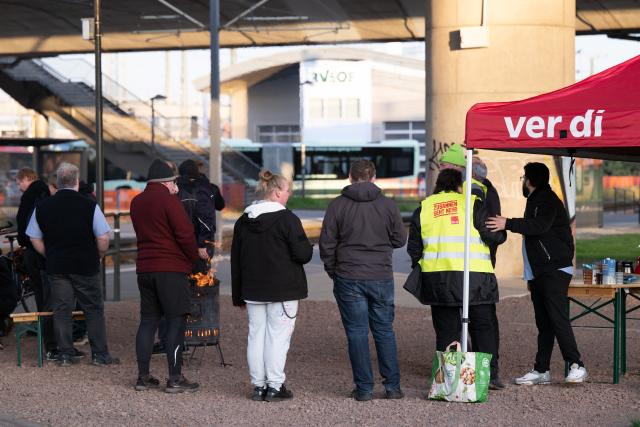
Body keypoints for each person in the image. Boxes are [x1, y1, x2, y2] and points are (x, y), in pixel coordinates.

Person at [486, 162, 588, 384]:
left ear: (530, 180)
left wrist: (507, 223)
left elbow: (539, 226)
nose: (522, 181)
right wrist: (530, 274)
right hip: (541, 271)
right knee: (544, 322)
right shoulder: (536, 200)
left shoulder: (547, 200)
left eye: (524, 177)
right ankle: (541, 369)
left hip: (554, 269)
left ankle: (577, 364)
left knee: (557, 318)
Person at [407, 169, 506, 389]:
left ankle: (450, 378)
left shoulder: (424, 208)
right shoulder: (472, 204)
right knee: (483, 327)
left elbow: (413, 248)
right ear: (460, 186)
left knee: (447, 330)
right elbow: (494, 235)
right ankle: (487, 376)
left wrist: (424, 266)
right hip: (476, 278)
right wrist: (502, 233)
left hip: (438, 279)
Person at [320, 159, 407, 402]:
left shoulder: (337, 205)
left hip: (348, 275)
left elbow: (327, 244)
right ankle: (392, 387)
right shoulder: (388, 205)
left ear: (350, 177)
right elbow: (400, 239)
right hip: (380, 275)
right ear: (373, 176)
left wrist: (333, 271)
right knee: (384, 331)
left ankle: (364, 389)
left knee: (356, 333)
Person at [231, 170, 312, 402]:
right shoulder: (287, 219)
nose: (288, 196)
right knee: (278, 337)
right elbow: (303, 254)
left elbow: (236, 261)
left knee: (256, 336)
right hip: (283, 290)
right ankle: (275, 386)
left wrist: (238, 295)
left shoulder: (243, 221)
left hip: (253, 290)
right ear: (277, 192)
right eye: (288, 191)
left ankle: (258, 386)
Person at [26, 163, 118, 367]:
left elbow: (34, 237)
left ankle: (65, 353)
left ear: (57, 183)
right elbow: (103, 237)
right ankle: (100, 355)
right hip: (85, 264)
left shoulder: (43, 206)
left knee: (61, 310)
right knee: (93, 309)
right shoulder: (89, 205)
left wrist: (48, 254)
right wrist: (99, 255)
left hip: (57, 266)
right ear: (77, 181)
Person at [130, 159, 203, 393]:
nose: (177, 187)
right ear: (166, 182)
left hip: (145, 269)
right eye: (174, 183)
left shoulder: (137, 202)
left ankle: (143, 377)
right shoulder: (169, 202)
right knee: (175, 321)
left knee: (148, 321)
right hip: (170, 270)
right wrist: (194, 260)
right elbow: (185, 233)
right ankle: (175, 378)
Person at [471, 156, 505, 390]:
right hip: (477, 267)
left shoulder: (479, 193)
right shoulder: (485, 191)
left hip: (476, 268)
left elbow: (490, 227)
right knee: (482, 322)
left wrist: (500, 234)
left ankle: (486, 372)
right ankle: (483, 371)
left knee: (481, 322)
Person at [15, 168, 57, 355]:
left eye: (19, 182)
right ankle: (53, 344)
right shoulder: (42, 194)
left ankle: (49, 345)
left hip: (35, 253)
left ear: (27, 178)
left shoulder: (32, 196)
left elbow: (24, 227)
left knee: (43, 299)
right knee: (50, 298)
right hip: (43, 252)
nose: (18, 186)